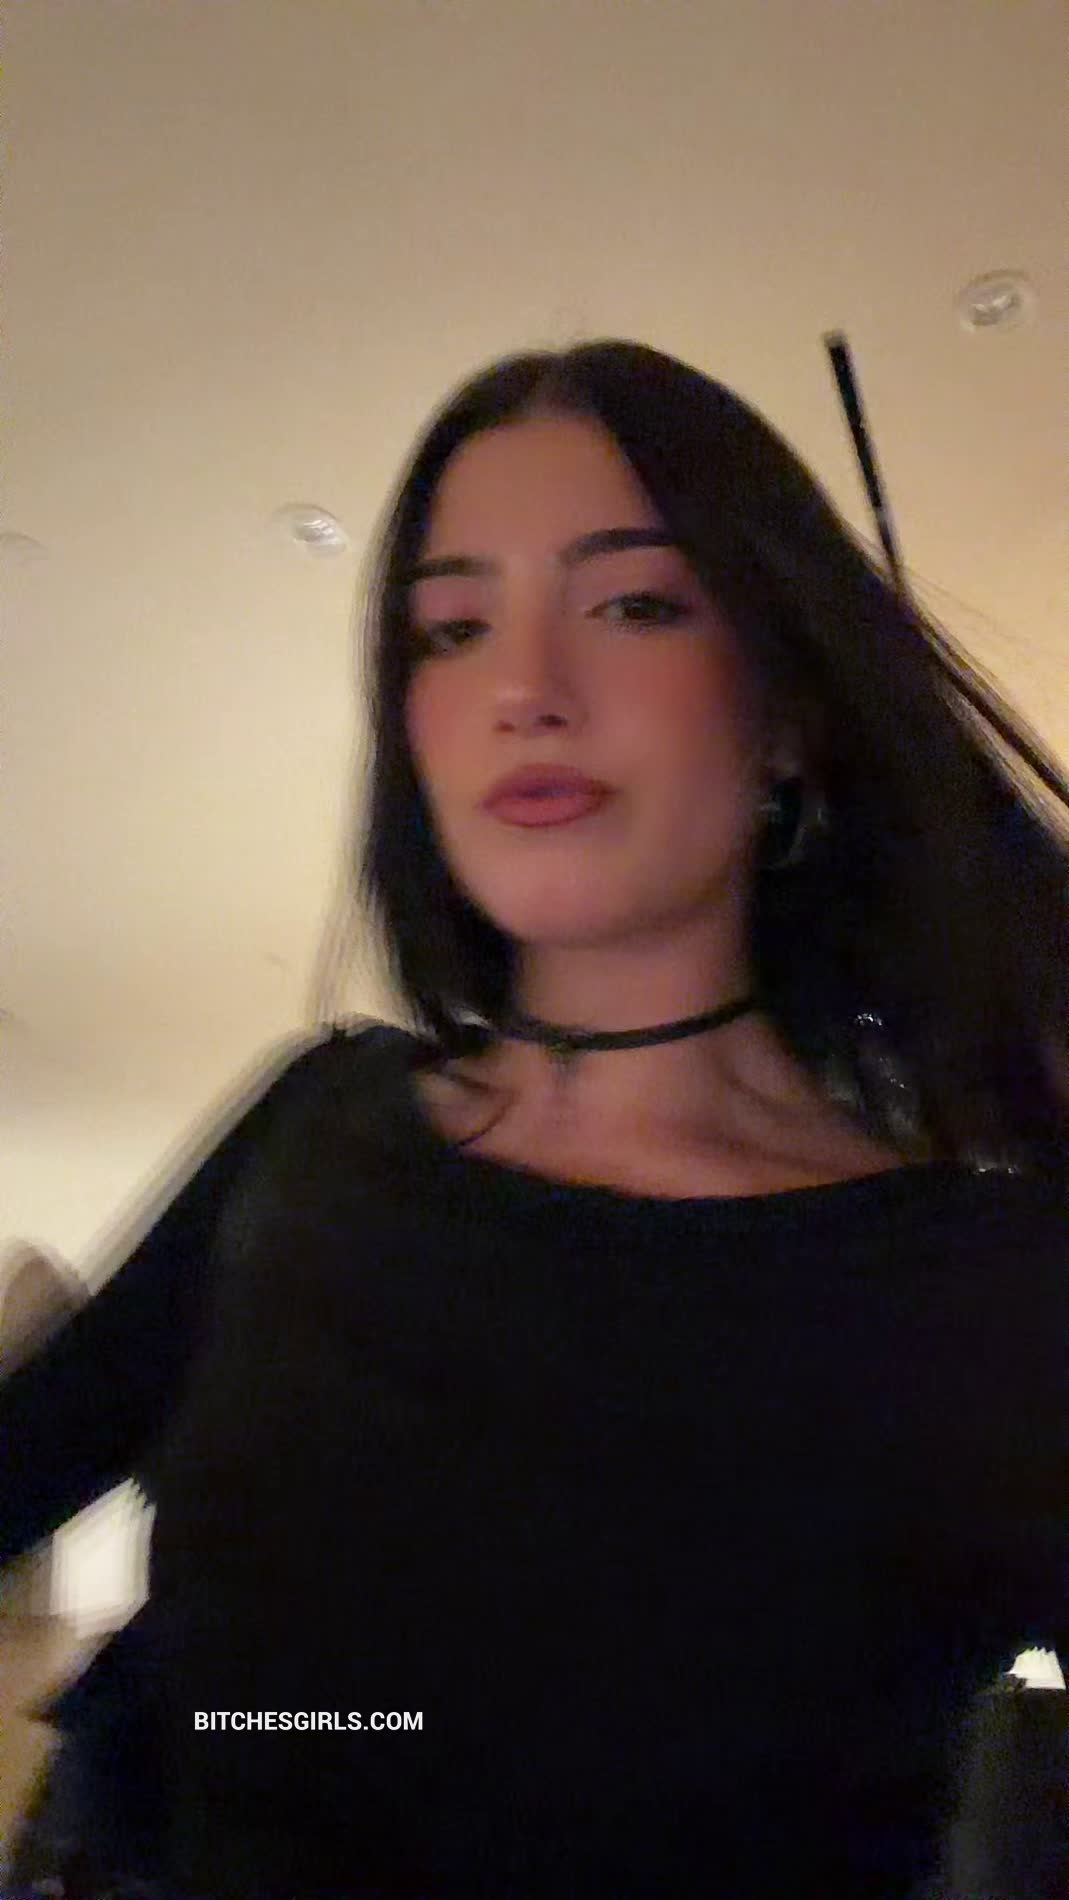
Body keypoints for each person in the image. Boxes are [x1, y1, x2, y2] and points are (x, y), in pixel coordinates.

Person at [2, 337, 1066, 1899]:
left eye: (633, 605)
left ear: (787, 712)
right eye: (452, 628)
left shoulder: (990, 1291)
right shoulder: (314, 1129)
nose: (524, 690)